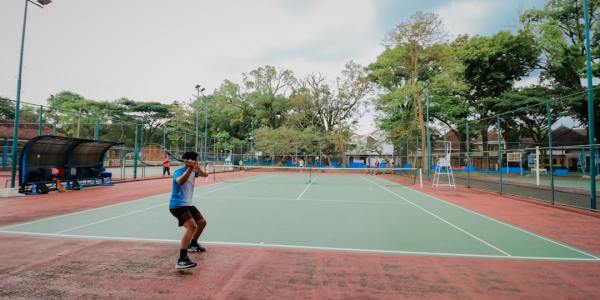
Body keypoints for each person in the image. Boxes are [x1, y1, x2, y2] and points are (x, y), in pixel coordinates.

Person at [169, 151, 209, 269]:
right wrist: (190, 169)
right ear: (189, 160)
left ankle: (193, 244)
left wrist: (197, 169)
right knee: (191, 227)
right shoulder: (179, 172)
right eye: (196, 160)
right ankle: (182, 259)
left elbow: (205, 175)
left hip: (188, 204)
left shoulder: (193, 170)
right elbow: (180, 181)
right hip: (177, 205)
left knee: (202, 223)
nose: (197, 162)